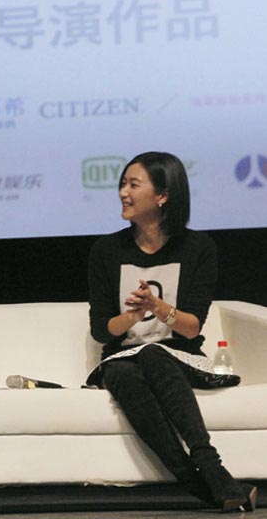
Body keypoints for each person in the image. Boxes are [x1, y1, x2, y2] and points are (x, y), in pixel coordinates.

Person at [87, 151, 256, 512]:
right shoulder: (106, 250)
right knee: (122, 370)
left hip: (179, 357)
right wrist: (133, 316)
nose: (123, 193)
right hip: (121, 359)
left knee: (153, 352)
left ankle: (206, 463)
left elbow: (192, 326)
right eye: (122, 184)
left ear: (162, 196)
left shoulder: (198, 248)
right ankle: (213, 482)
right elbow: (103, 330)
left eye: (134, 184)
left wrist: (158, 309)